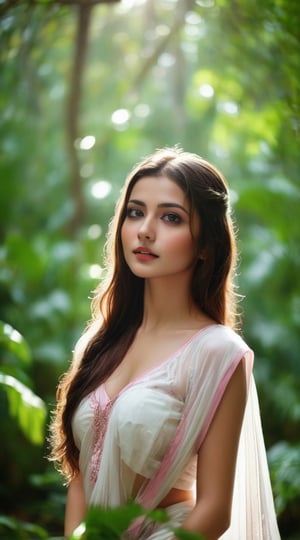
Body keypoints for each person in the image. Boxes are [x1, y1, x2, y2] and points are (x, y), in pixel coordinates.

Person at [49, 147, 281, 539]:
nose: (145, 230)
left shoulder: (218, 353)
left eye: (170, 217)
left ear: (206, 244)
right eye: (135, 212)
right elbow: (79, 475)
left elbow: (215, 510)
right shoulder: (100, 343)